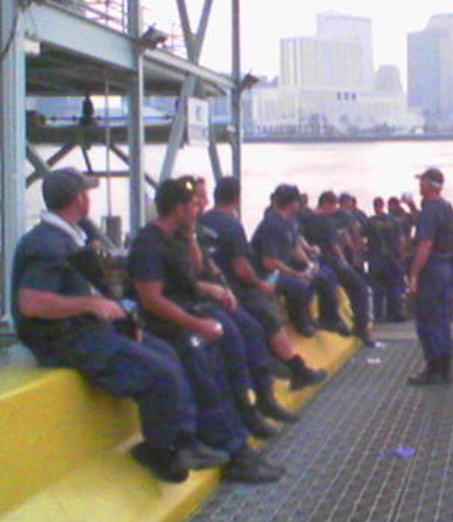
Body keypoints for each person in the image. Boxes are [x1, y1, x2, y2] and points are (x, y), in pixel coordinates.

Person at [12, 168, 227, 483]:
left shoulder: (69, 235)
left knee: (167, 352)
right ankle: (157, 450)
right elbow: (31, 303)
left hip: (84, 327)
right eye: (87, 193)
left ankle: (183, 439)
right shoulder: (45, 243)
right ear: (79, 200)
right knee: (158, 373)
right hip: (62, 338)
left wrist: (125, 319)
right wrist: (91, 305)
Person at [128, 177, 284, 483]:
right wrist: (196, 324)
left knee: (227, 357)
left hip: (187, 314)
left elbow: (194, 272)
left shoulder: (176, 238)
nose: (198, 208)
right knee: (205, 374)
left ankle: (239, 432)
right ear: (178, 208)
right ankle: (232, 450)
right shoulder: (149, 244)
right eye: (191, 205)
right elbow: (152, 300)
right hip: (167, 324)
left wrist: (190, 236)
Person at [199, 176, 328, 391]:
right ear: (237, 197)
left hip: (212, 286)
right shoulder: (233, 225)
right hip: (233, 288)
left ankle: (288, 364)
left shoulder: (202, 222)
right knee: (266, 314)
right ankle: (292, 370)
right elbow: (242, 267)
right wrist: (259, 284)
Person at [251, 184, 347, 338]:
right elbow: (269, 262)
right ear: (292, 203)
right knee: (298, 286)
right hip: (266, 274)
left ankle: (328, 318)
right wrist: (296, 274)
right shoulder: (272, 224)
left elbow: (294, 247)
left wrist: (309, 265)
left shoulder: (287, 222)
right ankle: (301, 323)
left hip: (278, 267)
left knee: (321, 277)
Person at [302, 191, 375, 346]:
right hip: (329, 260)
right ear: (327, 203)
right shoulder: (325, 220)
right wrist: (344, 260)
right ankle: (361, 327)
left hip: (312, 261)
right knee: (359, 287)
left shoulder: (306, 218)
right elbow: (334, 245)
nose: (335, 209)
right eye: (334, 205)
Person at [407, 167, 453, 385]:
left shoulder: (430, 209)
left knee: (427, 319)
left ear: (430, 185)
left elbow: (425, 243)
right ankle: (445, 367)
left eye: (422, 182)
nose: (419, 186)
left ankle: (433, 368)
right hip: (445, 266)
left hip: (432, 268)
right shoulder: (445, 207)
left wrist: (414, 275)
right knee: (442, 318)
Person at [364, 196, 407, 322]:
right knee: (394, 287)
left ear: (374, 206)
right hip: (392, 258)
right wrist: (401, 255)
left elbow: (361, 238)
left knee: (377, 289)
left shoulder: (370, 221)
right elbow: (402, 240)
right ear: (383, 206)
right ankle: (394, 314)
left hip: (375, 258)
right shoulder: (393, 221)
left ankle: (378, 315)